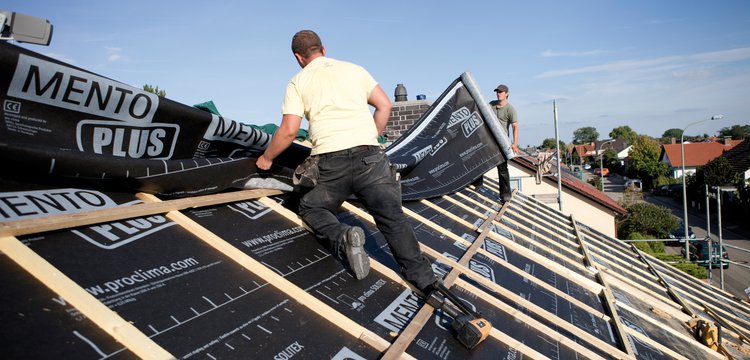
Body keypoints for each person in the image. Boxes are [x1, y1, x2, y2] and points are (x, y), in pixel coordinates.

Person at [256, 30, 438, 294]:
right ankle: (425, 281)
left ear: (298, 57)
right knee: (393, 219)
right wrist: (370, 137)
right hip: (370, 159)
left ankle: (342, 236)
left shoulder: (298, 82)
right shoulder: (355, 70)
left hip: (331, 164)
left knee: (311, 207)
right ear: (323, 49)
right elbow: (385, 105)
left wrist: (266, 158)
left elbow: (288, 131)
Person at [489, 84, 520, 202]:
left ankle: (505, 195)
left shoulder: (510, 109)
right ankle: (476, 184)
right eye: (497, 91)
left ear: (506, 94)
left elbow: (515, 126)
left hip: (502, 142)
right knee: (479, 161)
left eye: (501, 92)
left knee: (502, 169)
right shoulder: (491, 105)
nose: (498, 93)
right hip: (489, 139)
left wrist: (514, 143)